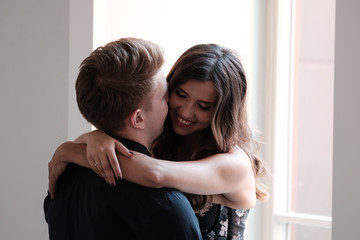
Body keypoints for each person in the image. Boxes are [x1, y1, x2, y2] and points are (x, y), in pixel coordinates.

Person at [48, 43, 268, 239]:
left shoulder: (235, 165)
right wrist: (94, 137)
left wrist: (71, 151)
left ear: (223, 112)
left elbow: (155, 174)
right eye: (180, 94)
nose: (186, 112)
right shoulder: (158, 141)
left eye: (203, 106)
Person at [43, 38, 203, 240]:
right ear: (138, 118)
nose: (172, 101)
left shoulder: (63, 179)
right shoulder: (166, 205)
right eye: (164, 95)